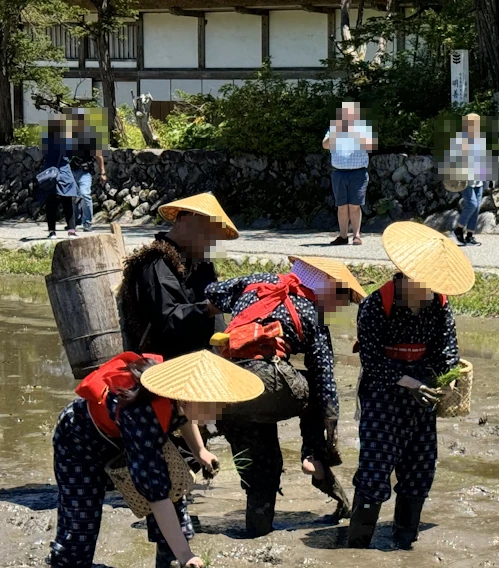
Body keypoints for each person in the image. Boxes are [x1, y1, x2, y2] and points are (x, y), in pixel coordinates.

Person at [41, 351, 262, 568]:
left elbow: (181, 416)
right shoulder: (143, 411)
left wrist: (200, 451)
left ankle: (169, 558)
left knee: (173, 484)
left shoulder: (175, 392)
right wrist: (186, 554)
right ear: (189, 398)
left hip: (125, 433)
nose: (217, 415)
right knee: (82, 510)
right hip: (79, 441)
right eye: (214, 407)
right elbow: (155, 493)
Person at [205, 257, 365, 536]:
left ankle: (256, 532)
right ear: (328, 290)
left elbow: (213, 293)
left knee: (262, 468)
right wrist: (330, 430)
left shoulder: (255, 281)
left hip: (225, 381)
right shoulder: (313, 312)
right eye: (341, 301)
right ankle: (312, 456)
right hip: (267, 379)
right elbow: (325, 377)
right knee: (316, 387)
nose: (339, 309)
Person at [348, 222, 472, 549]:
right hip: (383, 395)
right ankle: (357, 548)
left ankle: (404, 543)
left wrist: (447, 381)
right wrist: (409, 383)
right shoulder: (376, 305)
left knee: (420, 472)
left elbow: (447, 352)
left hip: (422, 400)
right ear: (407, 276)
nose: (430, 291)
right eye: (426, 285)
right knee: (374, 473)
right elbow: (372, 361)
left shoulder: (440, 305)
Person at [119, 193, 232, 359]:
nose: (212, 242)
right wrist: (210, 308)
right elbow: (168, 321)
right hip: (173, 363)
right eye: (208, 233)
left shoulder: (201, 263)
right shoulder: (156, 263)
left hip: (209, 356)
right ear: (185, 222)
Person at [323, 101, 376, 246]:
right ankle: (343, 235)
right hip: (339, 173)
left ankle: (356, 235)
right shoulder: (334, 129)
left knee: (354, 205)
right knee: (341, 206)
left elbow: (370, 144)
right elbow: (325, 145)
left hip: (358, 172)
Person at [447, 113, 493, 247]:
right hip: (464, 180)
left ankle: (470, 236)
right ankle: (458, 230)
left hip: (478, 179)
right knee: (471, 204)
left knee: (476, 207)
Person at [37, 114, 77, 239]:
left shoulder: (46, 137)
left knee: (51, 201)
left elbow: (43, 152)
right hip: (63, 170)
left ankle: (52, 231)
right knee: (67, 200)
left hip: (50, 171)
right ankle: (71, 230)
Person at [69, 109, 106, 232]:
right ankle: (74, 220)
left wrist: (102, 172)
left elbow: (98, 155)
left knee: (85, 195)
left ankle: (87, 222)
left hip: (84, 172)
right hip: (70, 171)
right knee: (72, 197)